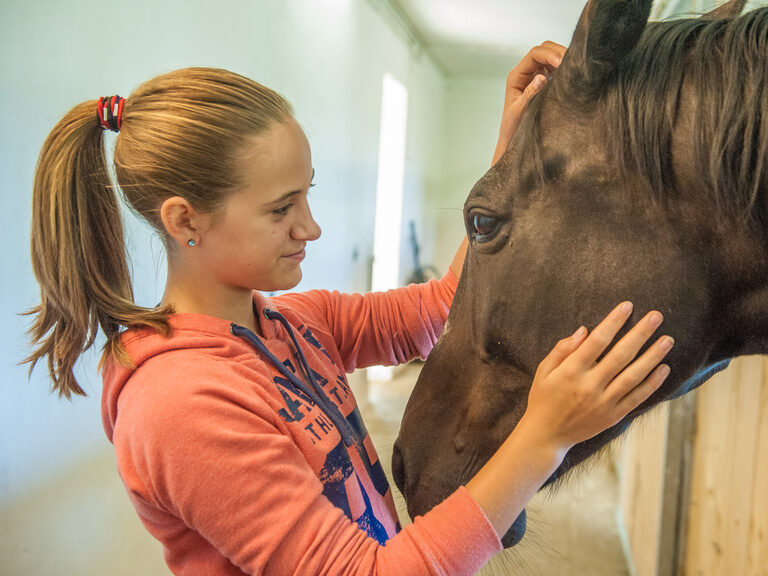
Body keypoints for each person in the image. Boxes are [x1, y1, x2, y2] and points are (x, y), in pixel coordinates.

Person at [25, 42, 674, 575]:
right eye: (281, 209)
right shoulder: (180, 405)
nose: (311, 228)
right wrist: (543, 438)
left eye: (306, 196)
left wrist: (509, 152)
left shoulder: (291, 323)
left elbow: (438, 308)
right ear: (185, 220)